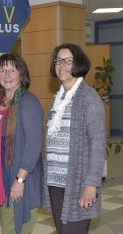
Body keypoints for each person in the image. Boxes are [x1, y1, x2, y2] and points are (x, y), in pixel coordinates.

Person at [43, 43, 106, 234]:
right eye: (59, 60)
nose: (62, 65)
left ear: (78, 64)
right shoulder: (59, 99)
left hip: (78, 183)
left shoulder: (88, 98)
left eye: (69, 61)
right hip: (56, 182)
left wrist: (91, 185)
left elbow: (98, 144)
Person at [0, 52, 44, 234]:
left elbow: (33, 145)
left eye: (12, 70)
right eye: (3, 70)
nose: (7, 75)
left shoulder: (28, 102)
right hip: (1, 178)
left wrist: (19, 180)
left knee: (14, 230)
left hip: (19, 180)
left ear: (22, 75)